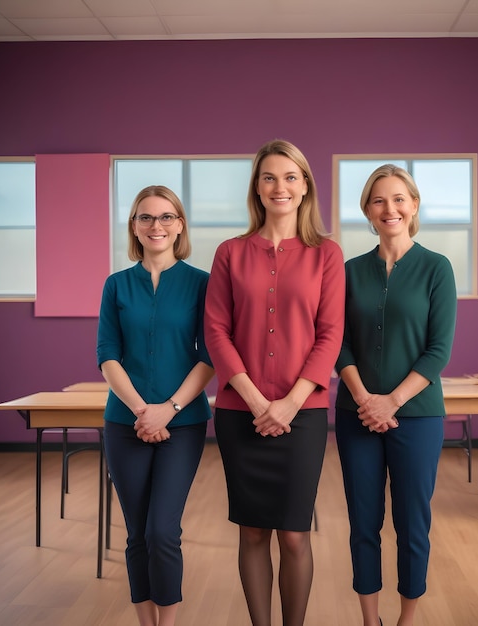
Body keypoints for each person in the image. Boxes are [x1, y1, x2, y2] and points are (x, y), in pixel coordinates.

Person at [204, 139, 345, 626]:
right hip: (238, 414)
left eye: (289, 176)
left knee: (294, 534)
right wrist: (255, 398)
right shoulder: (229, 252)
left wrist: (289, 403)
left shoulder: (326, 254)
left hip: (301, 415)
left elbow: (330, 335)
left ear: (304, 186)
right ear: (257, 189)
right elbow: (216, 330)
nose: (279, 186)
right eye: (269, 177)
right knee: (252, 532)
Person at [334, 165, 457, 626]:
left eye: (400, 199)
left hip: (419, 416)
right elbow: (337, 342)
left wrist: (392, 401)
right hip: (355, 414)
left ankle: (406, 618)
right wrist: (367, 399)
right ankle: (370, 619)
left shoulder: (436, 268)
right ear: (367, 209)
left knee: (411, 523)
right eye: (380, 200)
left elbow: (438, 350)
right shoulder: (349, 272)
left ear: (415, 205)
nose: (391, 209)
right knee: (363, 522)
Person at [97, 185, 214, 626]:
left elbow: (210, 355)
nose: (156, 225)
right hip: (124, 423)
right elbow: (107, 353)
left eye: (166, 217)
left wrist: (169, 408)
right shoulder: (116, 285)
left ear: (180, 225)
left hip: (183, 424)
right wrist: (142, 410)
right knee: (136, 535)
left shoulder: (201, 283)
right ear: (134, 226)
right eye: (145, 217)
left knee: (162, 531)